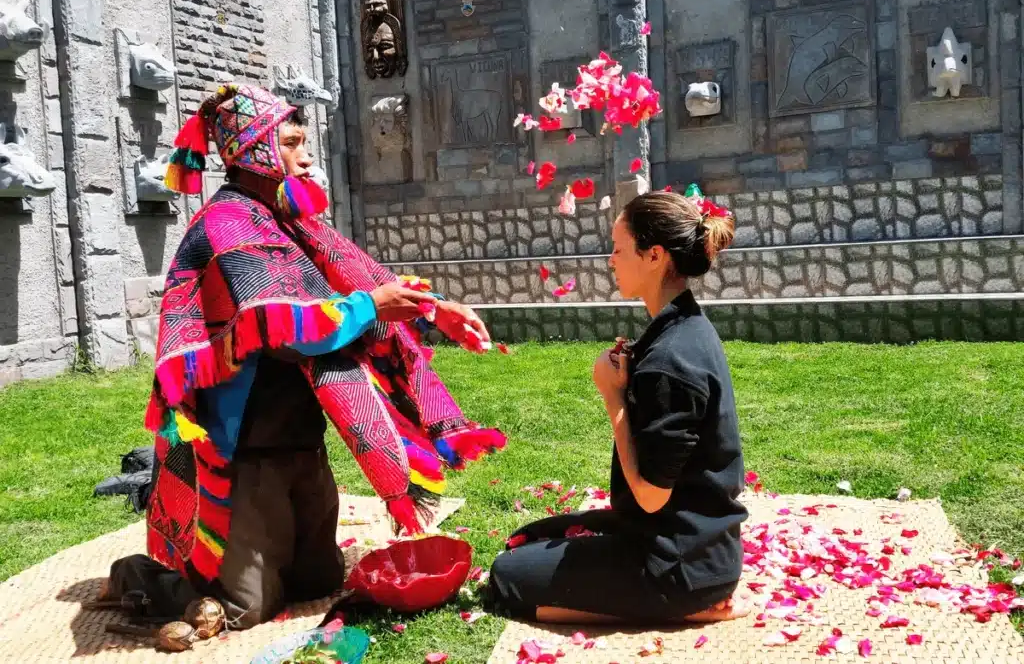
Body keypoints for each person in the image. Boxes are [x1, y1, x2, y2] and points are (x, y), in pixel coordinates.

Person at [104, 84, 506, 629]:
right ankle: (137, 575)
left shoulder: (293, 223)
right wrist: (373, 307)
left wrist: (435, 309)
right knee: (245, 609)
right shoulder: (227, 225)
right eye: (292, 142)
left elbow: (361, 280)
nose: (308, 155)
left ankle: (261, 555)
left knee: (321, 580)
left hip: (301, 435)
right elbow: (287, 329)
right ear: (253, 151)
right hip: (244, 445)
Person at [485, 189, 749, 625]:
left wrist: (614, 399)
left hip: (676, 564)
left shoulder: (671, 361)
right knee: (529, 538)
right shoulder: (683, 327)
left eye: (619, 249)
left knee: (505, 578)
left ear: (654, 256)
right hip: (691, 541)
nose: (610, 260)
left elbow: (649, 495)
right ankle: (678, 598)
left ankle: (689, 610)